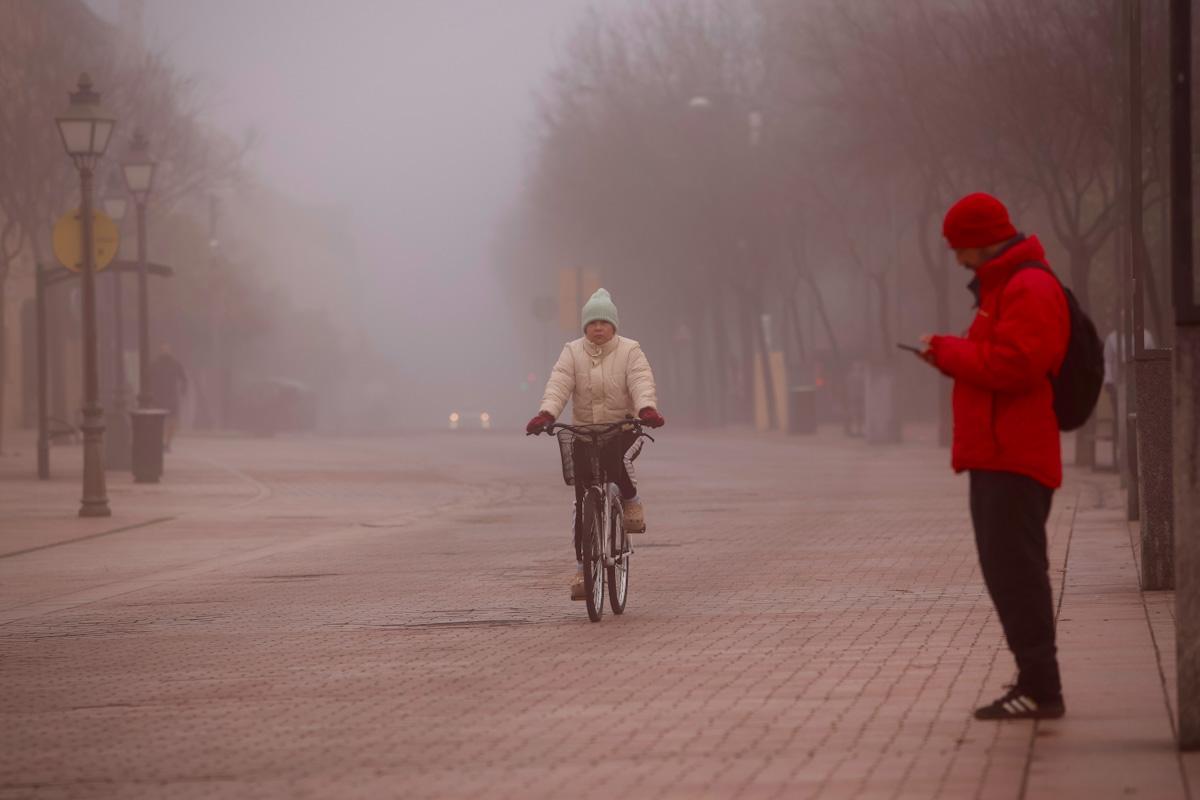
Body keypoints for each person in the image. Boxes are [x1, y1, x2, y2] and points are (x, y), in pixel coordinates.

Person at [914, 193, 1070, 720]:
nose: (957, 259)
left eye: (960, 248)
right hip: (998, 455)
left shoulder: (1029, 287)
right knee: (1008, 572)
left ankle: (1041, 688)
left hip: (1015, 457)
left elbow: (1016, 366)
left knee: (1017, 573)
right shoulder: (1005, 289)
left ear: (982, 240)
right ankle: (1034, 681)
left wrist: (949, 352)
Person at [526, 288, 665, 599]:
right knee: (581, 502)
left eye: (604, 322)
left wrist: (646, 409)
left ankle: (630, 499)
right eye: (592, 323)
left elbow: (641, 380)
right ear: (584, 327)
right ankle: (581, 568)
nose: (598, 328)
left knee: (619, 465)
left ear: (614, 326)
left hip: (622, 430)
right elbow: (559, 383)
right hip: (584, 433)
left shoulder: (630, 351)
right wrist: (546, 414)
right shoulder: (572, 353)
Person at [149, 344, 188, 451]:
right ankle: (165, 442)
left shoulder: (158, 364)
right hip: (165, 397)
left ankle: (166, 442)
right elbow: (184, 378)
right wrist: (183, 390)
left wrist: (184, 389)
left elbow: (184, 378)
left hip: (164, 397)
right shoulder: (159, 364)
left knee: (168, 421)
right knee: (168, 421)